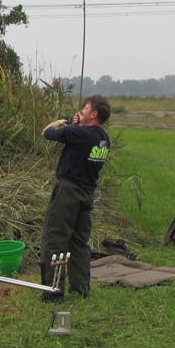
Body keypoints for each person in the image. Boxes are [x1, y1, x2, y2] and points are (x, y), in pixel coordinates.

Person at [39, 94, 111, 300]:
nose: (81, 111)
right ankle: (81, 289)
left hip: (68, 191)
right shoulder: (104, 138)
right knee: (79, 242)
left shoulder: (78, 133)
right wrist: (78, 126)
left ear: (94, 114)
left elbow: (48, 132)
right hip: (87, 193)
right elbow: (84, 139)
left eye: (85, 108)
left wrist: (65, 122)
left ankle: (53, 291)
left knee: (55, 239)